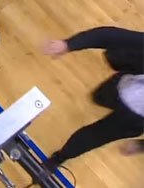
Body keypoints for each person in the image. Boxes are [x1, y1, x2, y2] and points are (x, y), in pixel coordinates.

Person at [42, 26, 144, 173]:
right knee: (98, 97)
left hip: (134, 119)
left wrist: (141, 146)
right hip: (121, 87)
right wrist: (69, 44)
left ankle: (61, 156)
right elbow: (110, 36)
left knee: (94, 136)